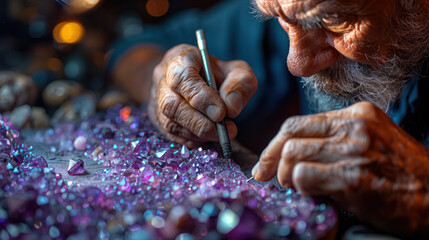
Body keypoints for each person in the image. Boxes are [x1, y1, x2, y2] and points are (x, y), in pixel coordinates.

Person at [109, 0, 429, 237]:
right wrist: (167, 83)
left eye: (333, 23)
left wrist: (421, 195)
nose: (298, 63)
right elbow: (131, 51)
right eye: (277, 18)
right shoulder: (299, 7)